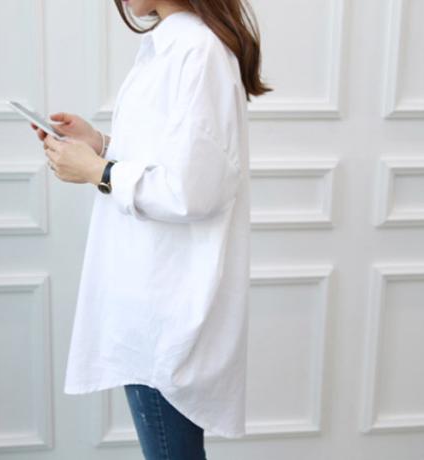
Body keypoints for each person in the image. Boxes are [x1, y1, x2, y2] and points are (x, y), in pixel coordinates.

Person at [31, 0, 271, 458]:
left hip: (166, 309)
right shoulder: (171, 46)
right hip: (150, 300)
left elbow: (192, 190)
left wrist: (98, 171)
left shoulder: (197, 51)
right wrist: (99, 144)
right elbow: (169, 158)